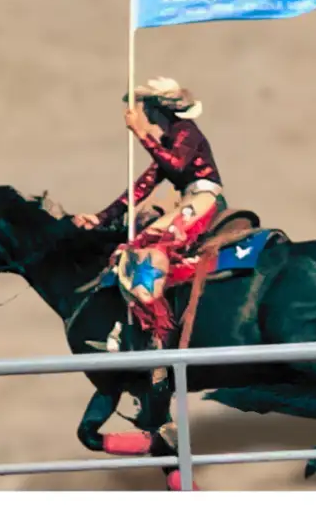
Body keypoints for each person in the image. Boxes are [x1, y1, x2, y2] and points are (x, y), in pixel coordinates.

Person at [73, 77, 226, 350]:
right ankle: (134, 326)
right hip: (189, 197)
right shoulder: (171, 138)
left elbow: (176, 165)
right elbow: (144, 184)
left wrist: (141, 134)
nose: (141, 112)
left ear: (157, 109)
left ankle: (159, 334)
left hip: (202, 196)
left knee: (144, 253)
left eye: (144, 106)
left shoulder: (185, 132)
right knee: (130, 249)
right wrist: (102, 217)